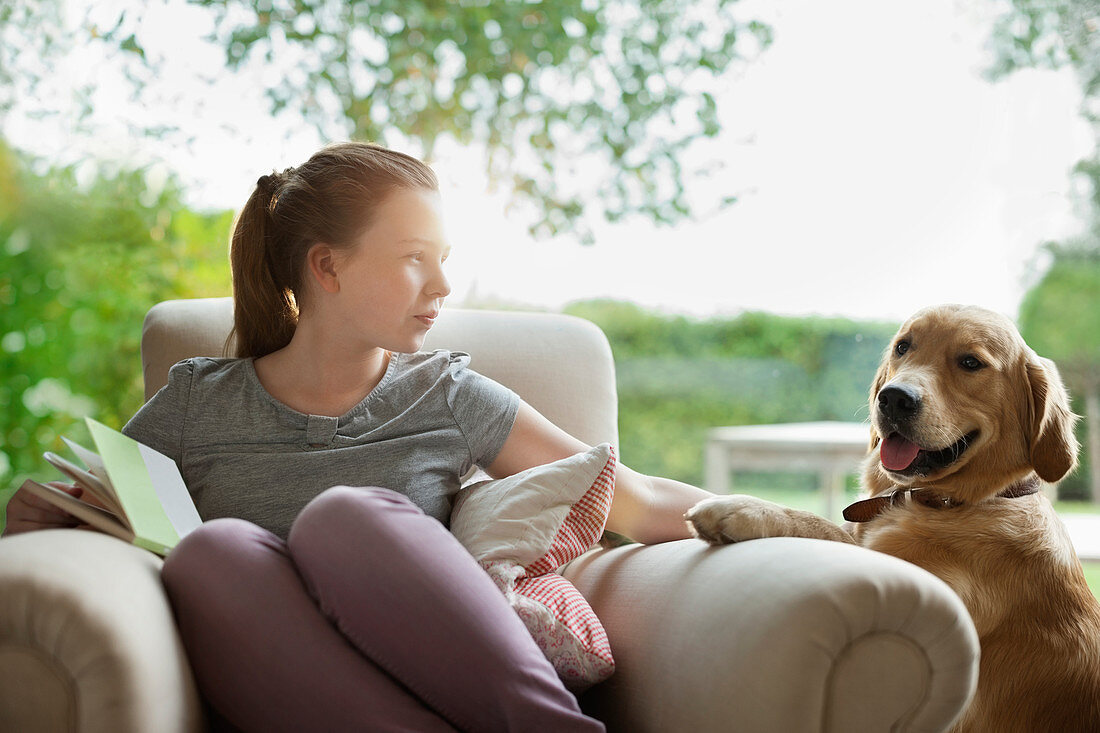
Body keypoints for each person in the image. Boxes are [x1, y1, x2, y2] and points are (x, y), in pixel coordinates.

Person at [3, 142, 713, 732]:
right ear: (328, 266)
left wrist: (800, 526)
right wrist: (30, 522)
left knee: (348, 517)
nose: (441, 284)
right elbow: (91, 507)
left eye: (443, 257)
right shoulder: (195, 403)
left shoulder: (448, 394)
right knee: (210, 554)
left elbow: (639, 501)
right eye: (414, 257)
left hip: (459, 690)